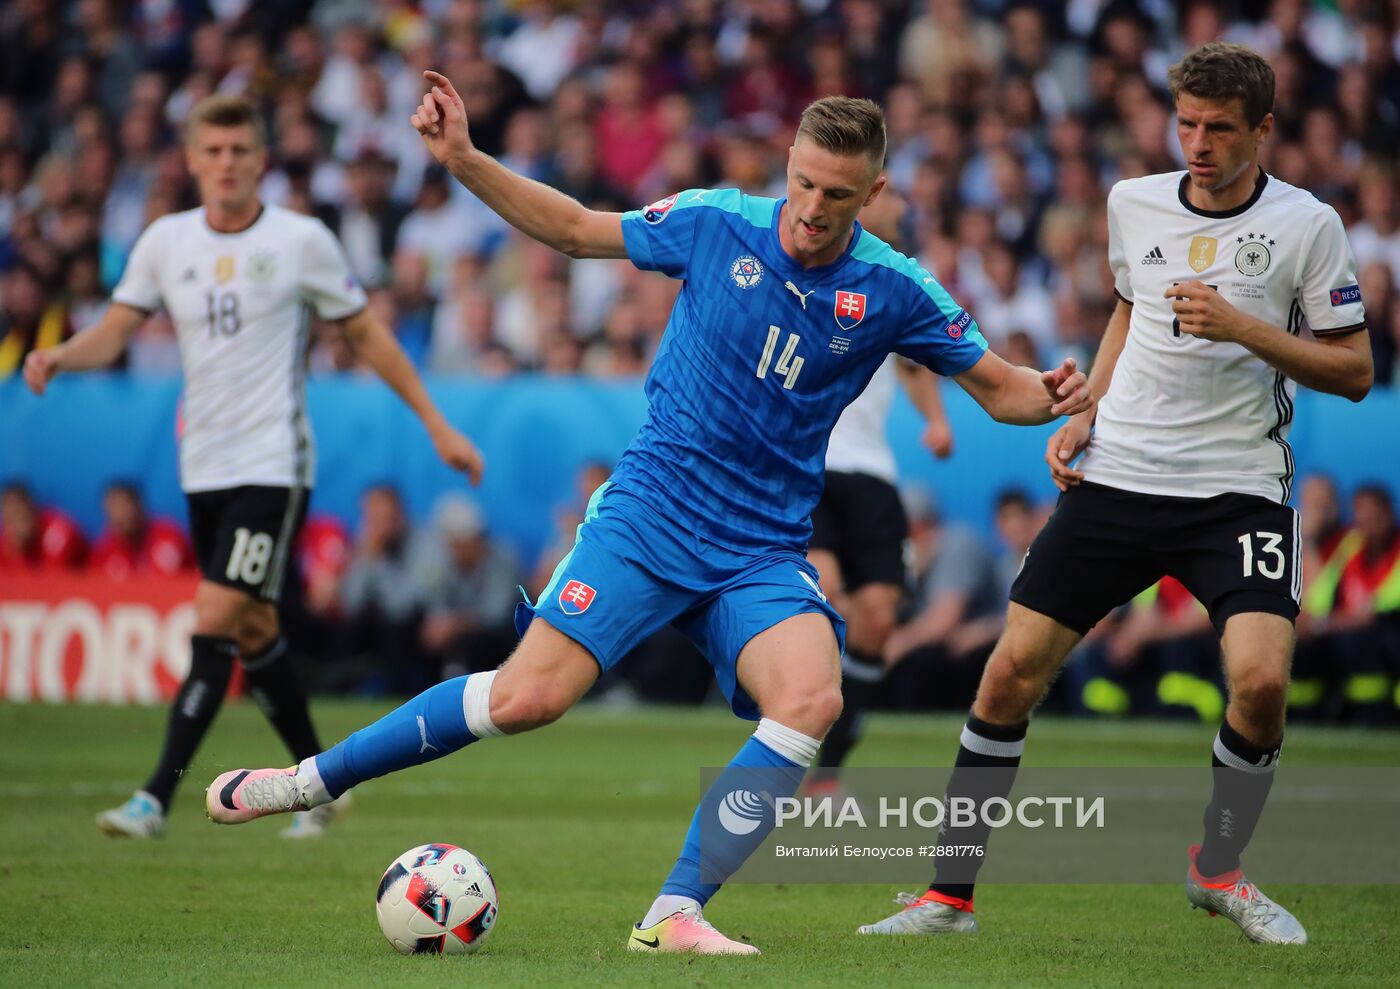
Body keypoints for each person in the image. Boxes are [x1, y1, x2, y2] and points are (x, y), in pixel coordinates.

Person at [203, 71, 1090, 955]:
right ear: (788, 163)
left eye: (840, 194)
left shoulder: (894, 287)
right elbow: (578, 229)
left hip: (761, 547)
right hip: (650, 516)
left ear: (876, 193)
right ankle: (308, 781)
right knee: (526, 697)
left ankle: (673, 912)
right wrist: (466, 160)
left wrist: (1051, 394)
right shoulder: (717, 222)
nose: (815, 207)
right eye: (806, 183)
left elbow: (1000, 390)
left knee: (812, 697)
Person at [860, 42, 1372, 946]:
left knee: (1259, 683)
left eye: (1219, 128)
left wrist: (1245, 326)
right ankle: (948, 896)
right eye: (1186, 124)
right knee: (1011, 669)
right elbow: (1130, 306)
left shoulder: (1308, 225)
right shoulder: (1133, 202)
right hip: (1121, 474)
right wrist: (1088, 406)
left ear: (1263, 129)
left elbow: (1356, 370)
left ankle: (1219, 868)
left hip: (1239, 488)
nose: (1199, 142)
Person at [22, 94, 482, 840]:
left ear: (262, 160)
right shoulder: (166, 242)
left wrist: (437, 425)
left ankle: (154, 796)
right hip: (201, 465)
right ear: (194, 159)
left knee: (216, 618)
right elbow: (114, 331)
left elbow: (365, 335)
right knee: (257, 627)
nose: (228, 163)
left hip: (273, 463)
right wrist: (58, 355)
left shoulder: (300, 240)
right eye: (215, 150)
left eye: (241, 150)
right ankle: (321, 784)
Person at [805, 356, 953, 788]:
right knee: (821, 594)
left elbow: (912, 365)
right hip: (807, 462)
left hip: (872, 473)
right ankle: (784, 736)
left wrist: (937, 420)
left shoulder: (892, 288)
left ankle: (826, 774)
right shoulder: (791, 288)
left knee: (877, 620)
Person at [88, 480, 195, 579]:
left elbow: (166, 582)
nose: (120, 515)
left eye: (124, 506)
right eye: (113, 508)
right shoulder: (103, 551)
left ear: (139, 506)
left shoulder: (167, 535)